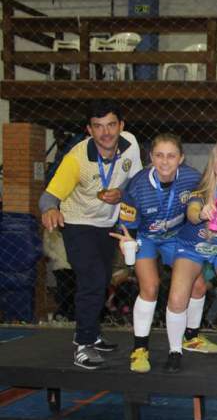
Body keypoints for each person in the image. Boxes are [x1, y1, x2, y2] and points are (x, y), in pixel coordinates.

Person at [40, 100, 143, 370]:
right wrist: (50, 209)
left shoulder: (130, 144)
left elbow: (137, 180)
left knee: (102, 279)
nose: (106, 132)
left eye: (111, 125)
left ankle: (92, 334)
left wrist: (121, 193)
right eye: (98, 127)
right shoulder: (76, 159)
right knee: (92, 279)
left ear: (122, 126)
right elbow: (49, 196)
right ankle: (83, 347)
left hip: (107, 224)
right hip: (77, 223)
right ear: (89, 130)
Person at [112, 134, 216, 374]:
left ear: (181, 158)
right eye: (159, 155)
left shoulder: (192, 178)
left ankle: (191, 337)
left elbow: (203, 204)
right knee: (150, 287)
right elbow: (129, 226)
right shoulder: (137, 186)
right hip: (145, 237)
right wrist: (128, 240)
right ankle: (140, 349)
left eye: (171, 156)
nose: (165, 162)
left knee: (199, 286)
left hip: (177, 237)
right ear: (151, 157)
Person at [164, 139, 217, 373]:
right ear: (213, 163)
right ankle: (175, 350)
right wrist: (201, 213)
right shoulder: (201, 189)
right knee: (177, 297)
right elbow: (192, 213)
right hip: (191, 247)